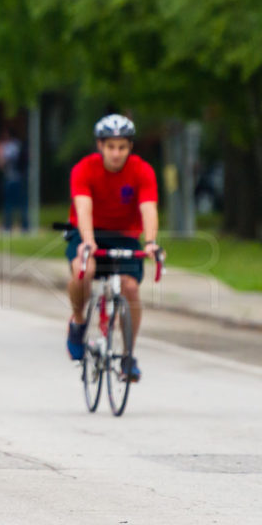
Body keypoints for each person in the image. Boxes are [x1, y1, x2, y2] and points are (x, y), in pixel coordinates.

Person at [64, 113, 160, 382]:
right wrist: (88, 240)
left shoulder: (142, 171)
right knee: (84, 270)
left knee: (130, 287)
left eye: (122, 147)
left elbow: (148, 209)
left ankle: (128, 355)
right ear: (100, 146)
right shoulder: (84, 169)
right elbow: (83, 207)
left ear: (130, 147)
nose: (116, 154)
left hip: (125, 235)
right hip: (87, 232)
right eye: (110, 147)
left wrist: (151, 242)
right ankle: (78, 321)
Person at [0, 127, 28, 233]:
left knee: (12, 203)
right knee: (15, 203)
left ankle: (15, 225)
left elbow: (2, 163)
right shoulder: (16, 145)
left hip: (13, 178)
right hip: (13, 178)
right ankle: (21, 225)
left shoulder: (10, 147)